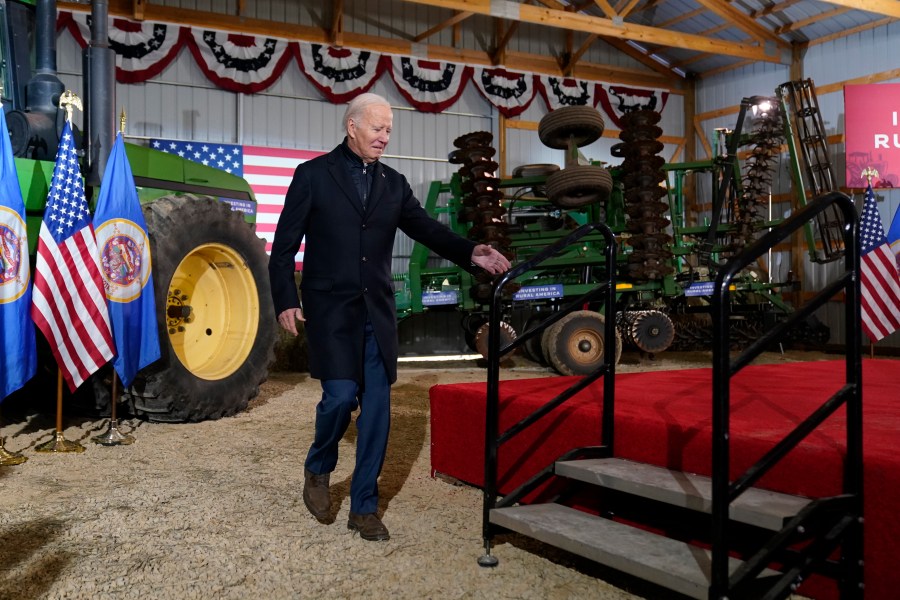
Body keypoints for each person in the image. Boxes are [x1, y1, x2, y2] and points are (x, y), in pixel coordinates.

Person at [268, 93, 510, 541]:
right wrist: (285, 298)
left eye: (389, 130)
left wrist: (470, 250)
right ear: (352, 126)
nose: (385, 136)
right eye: (377, 128)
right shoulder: (313, 176)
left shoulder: (394, 184)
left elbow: (427, 230)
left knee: (378, 410)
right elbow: (283, 248)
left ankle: (364, 508)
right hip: (331, 310)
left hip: (376, 312)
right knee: (339, 399)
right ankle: (319, 467)